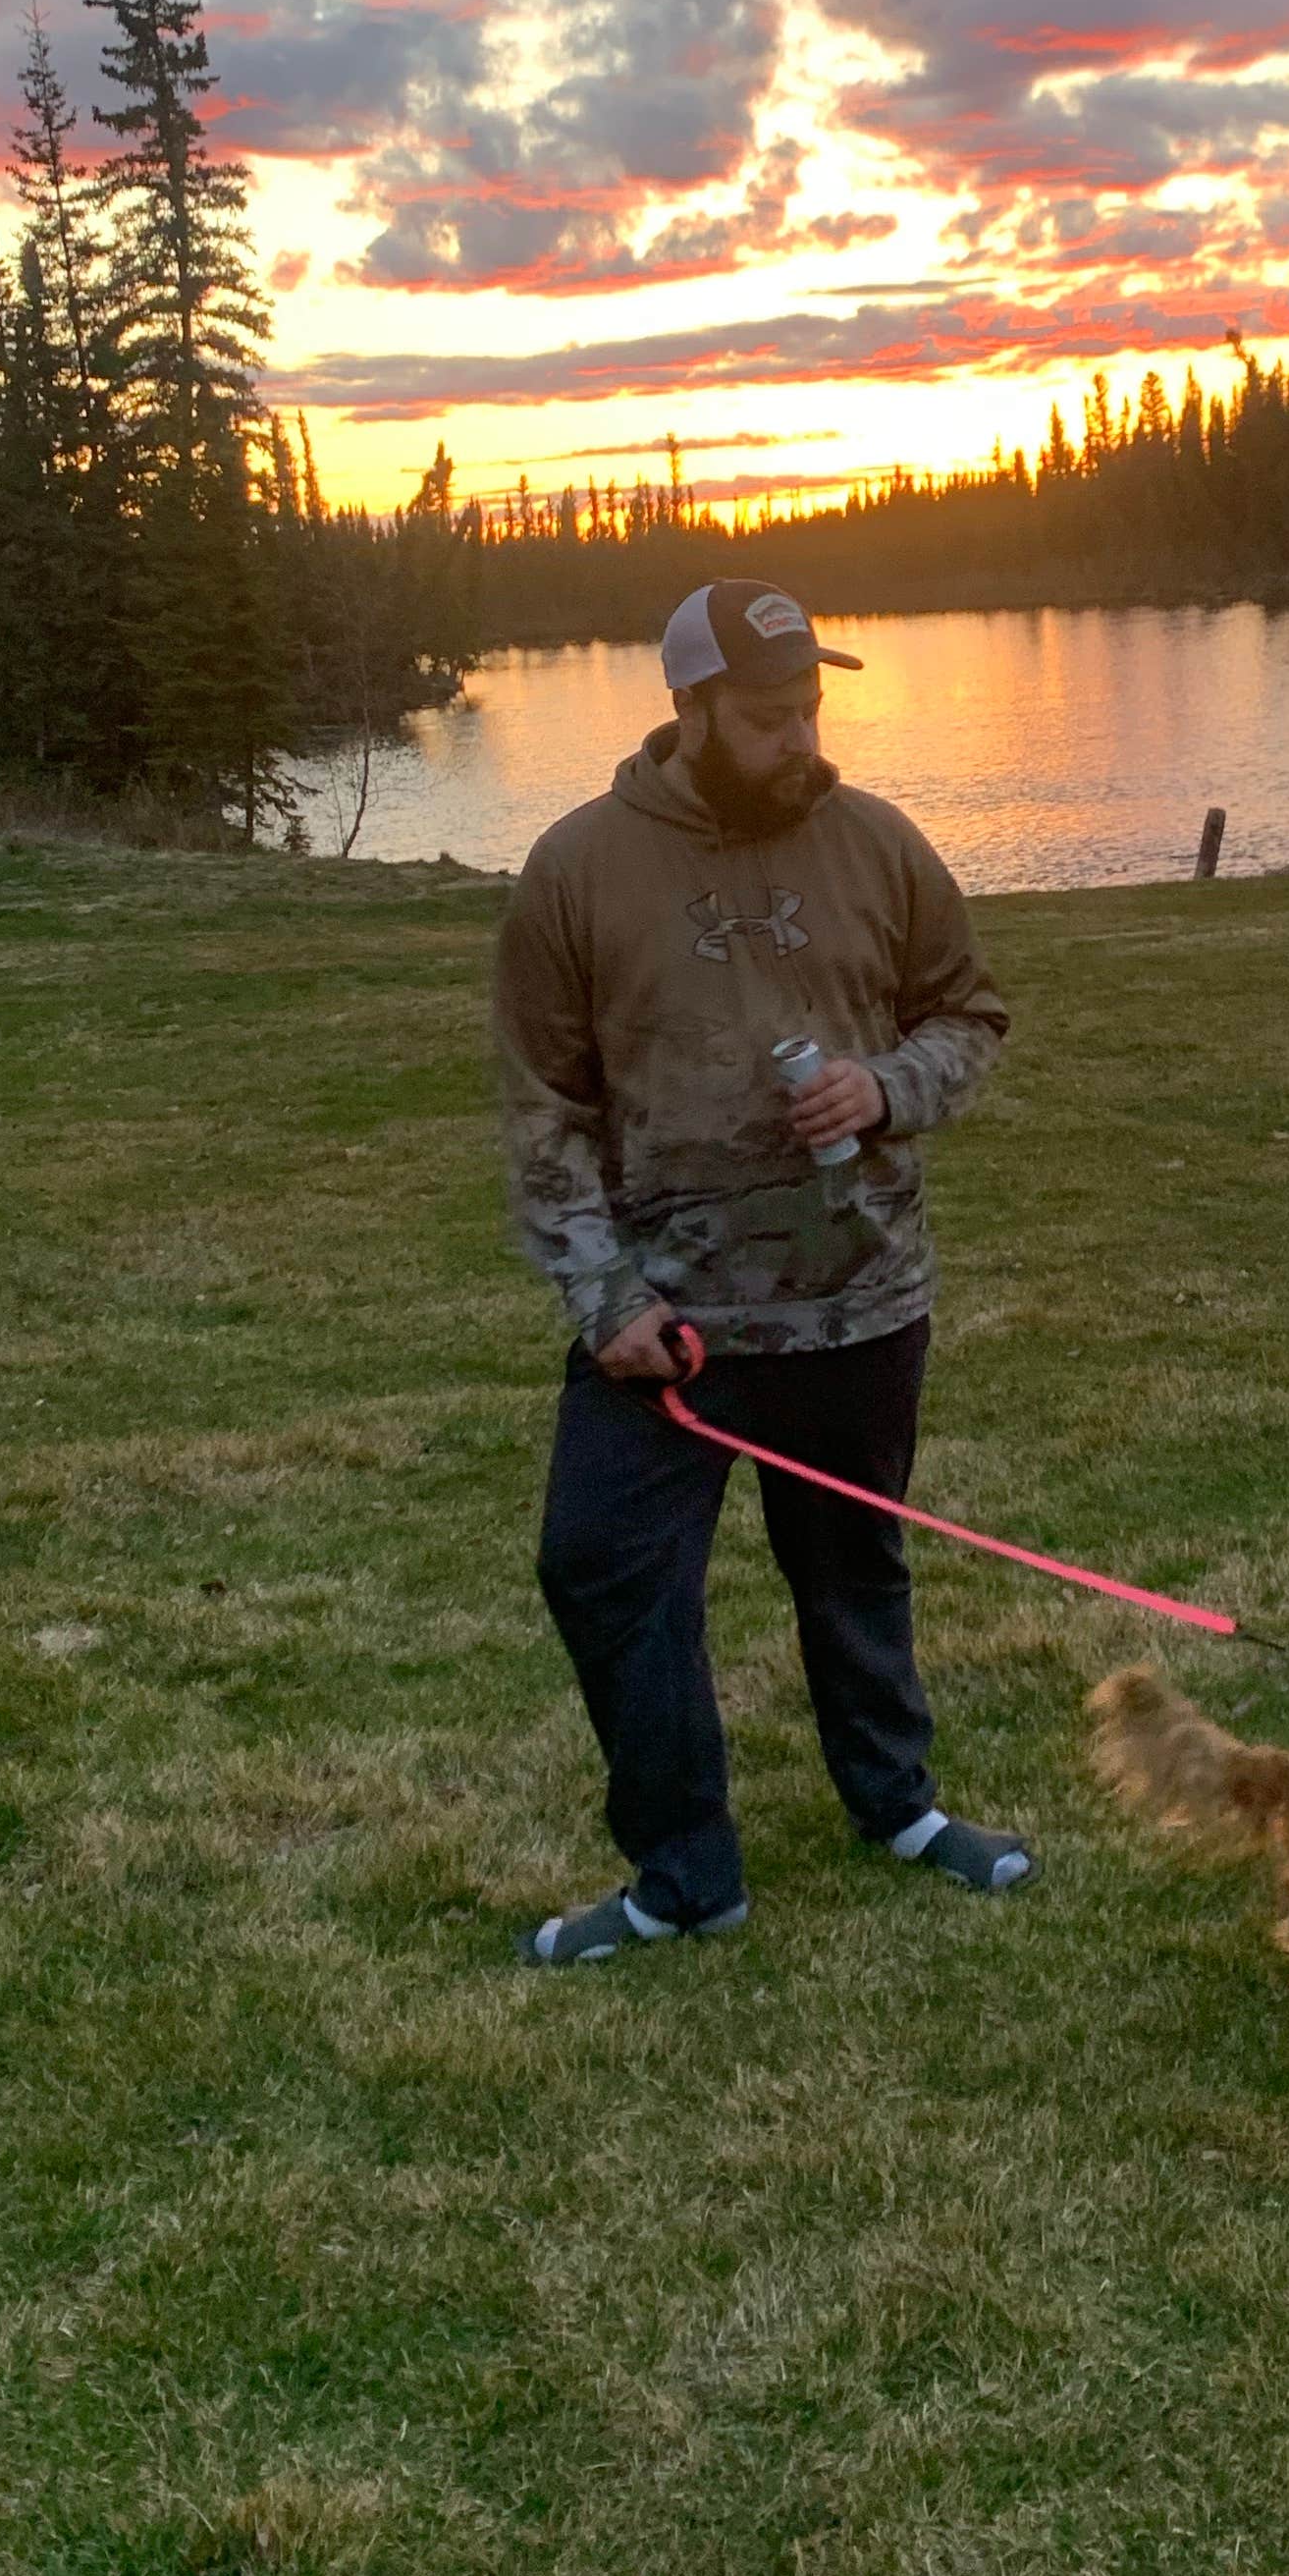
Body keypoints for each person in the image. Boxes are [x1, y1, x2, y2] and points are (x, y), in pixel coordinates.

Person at [496, 576, 1034, 1962]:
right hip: (670, 1331)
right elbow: (546, 1109)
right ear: (688, 712)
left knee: (854, 1567)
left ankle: (897, 1807)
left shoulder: (880, 845)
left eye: (809, 708)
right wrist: (605, 1299)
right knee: (603, 1568)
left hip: (859, 1298)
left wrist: (887, 1086)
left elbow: (969, 1016)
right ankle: (684, 1875)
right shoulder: (575, 870)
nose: (801, 738)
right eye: (766, 716)